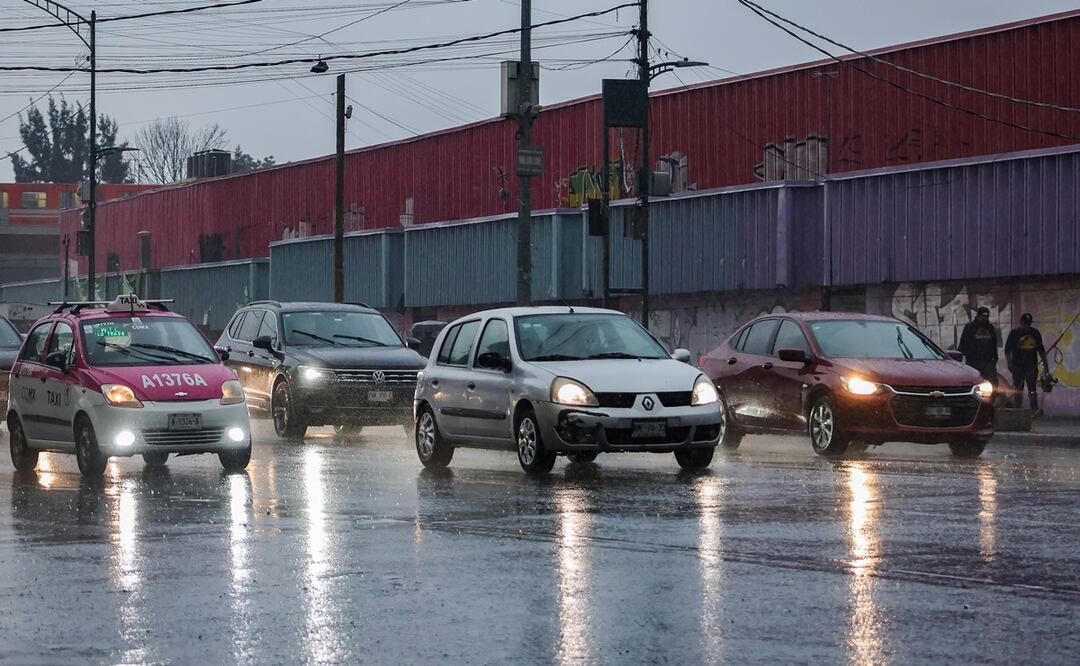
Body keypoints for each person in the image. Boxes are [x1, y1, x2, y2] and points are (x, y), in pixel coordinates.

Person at [1005, 312, 1049, 414]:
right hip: (1018, 366)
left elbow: (1041, 350)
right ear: (1020, 322)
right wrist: (1009, 363)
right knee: (1018, 388)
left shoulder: (1035, 333)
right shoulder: (1014, 333)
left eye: (1028, 324)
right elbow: (1007, 350)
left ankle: (1034, 409)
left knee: (1032, 389)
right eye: (1025, 324)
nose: (1026, 326)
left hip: (1031, 366)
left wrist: (1045, 364)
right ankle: (1018, 410)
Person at [958, 306, 1000, 387]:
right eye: (983, 316)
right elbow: (963, 343)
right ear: (978, 316)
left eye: (986, 316)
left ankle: (991, 398)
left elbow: (994, 345)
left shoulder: (990, 328)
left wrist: (994, 358)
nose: (985, 318)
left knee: (993, 384)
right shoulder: (970, 327)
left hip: (988, 361)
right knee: (974, 383)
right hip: (974, 361)